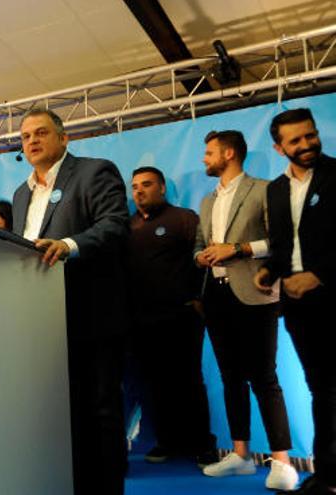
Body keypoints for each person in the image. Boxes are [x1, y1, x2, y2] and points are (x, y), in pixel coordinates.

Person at [11, 109, 130, 495]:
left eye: (41, 132)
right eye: (26, 136)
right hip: (42, 321)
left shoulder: (94, 172)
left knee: (101, 411)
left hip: (91, 313)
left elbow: (114, 225)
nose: (32, 141)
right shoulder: (20, 193)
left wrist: (69, 245)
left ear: (63, 138)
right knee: (65, 411)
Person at [194, 130, 297, 490]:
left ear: (229, 153)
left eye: (209, 153)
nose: (204, 159)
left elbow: (281, 240)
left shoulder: (265, 188)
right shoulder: (207, 201)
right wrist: (203, 255)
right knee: (230, 378)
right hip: (216, 296)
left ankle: (282, 461)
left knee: (264, 379)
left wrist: (236, 248)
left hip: (256, 293)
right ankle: (240, 455)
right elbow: (198, 245)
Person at [255, 108, 335, 495]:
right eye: (295, 140)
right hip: (300, 308)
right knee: (321, 389)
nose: (306, 145)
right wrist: (270, 270)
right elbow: (286, 245)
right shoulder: (275, 189)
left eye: (310, 135)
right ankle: (329, 475)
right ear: (278, 147)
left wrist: (320, 275)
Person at [126, 167, 218, 465]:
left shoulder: (184, 218)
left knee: (190, 380)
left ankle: (203, 444)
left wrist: (198, 300)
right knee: (154, 383)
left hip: (183, 315)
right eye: (135, 186)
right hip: (142, 319)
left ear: (162, 187)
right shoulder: (128, 227)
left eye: (147, 184)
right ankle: (168, 442)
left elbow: (202, 259)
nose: (139, 191)